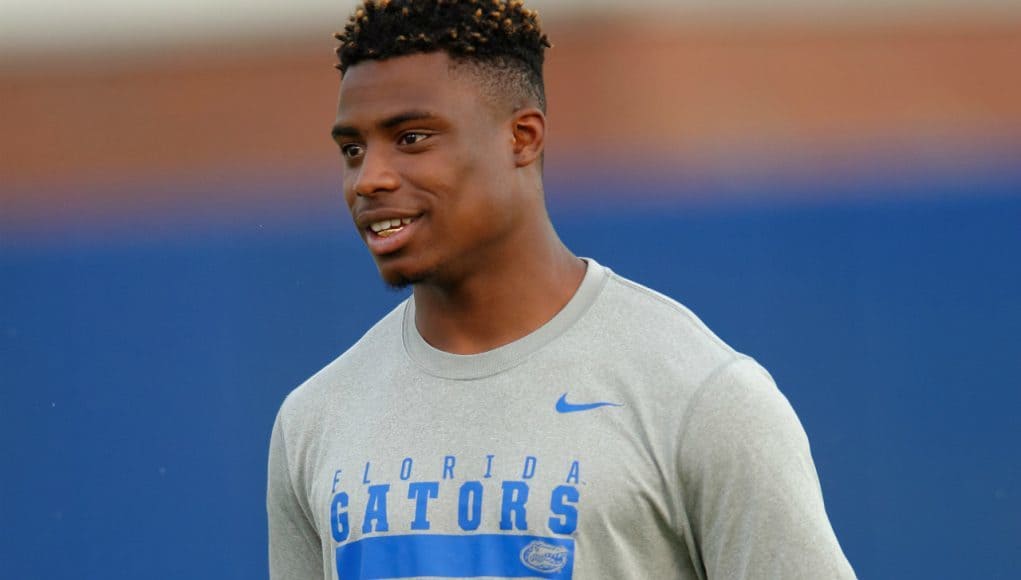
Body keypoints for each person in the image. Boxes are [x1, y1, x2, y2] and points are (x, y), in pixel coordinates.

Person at [267, 1, 856, 578]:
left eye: (413, 137)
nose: (370, 178)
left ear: (522, 138)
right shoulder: (315, 420)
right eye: (352, 150)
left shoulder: (703, 398)